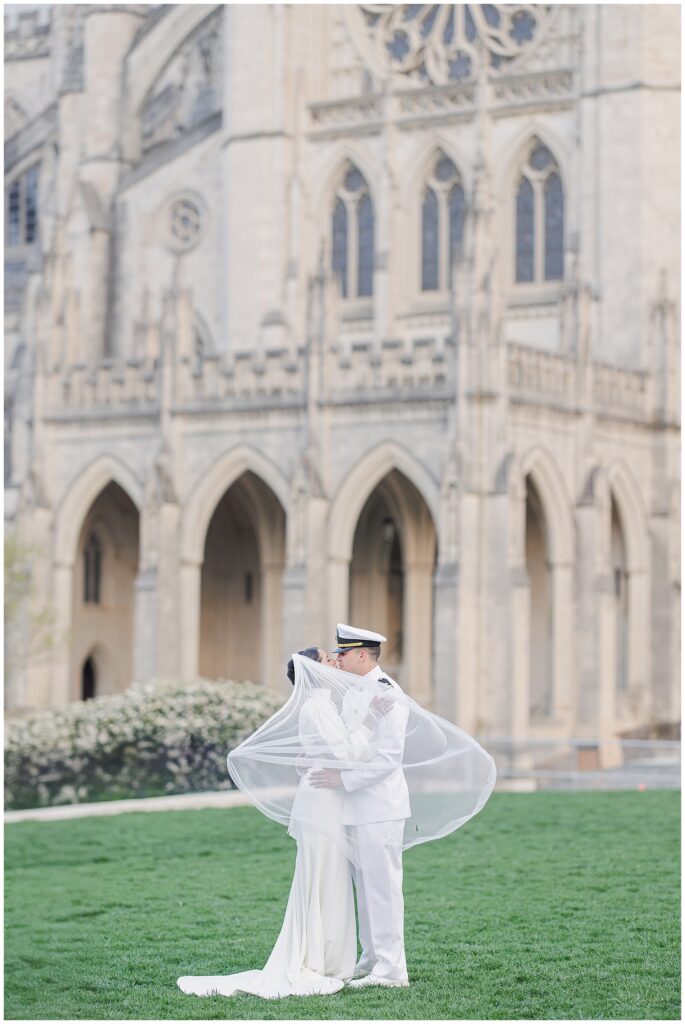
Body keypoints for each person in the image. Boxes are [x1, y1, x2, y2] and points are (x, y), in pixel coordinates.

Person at [177, 646, 377, 999]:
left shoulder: (321, 705)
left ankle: (328, 958)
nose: (334, 660)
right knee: (321, 877)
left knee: (327, 878)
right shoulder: (317, 707)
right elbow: (346, 753)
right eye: (327, 659)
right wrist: (367, 728)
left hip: (326, 799)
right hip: (322, 802)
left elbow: (328, 750)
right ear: (314, 671)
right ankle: (318, 960)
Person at [310, 623, 410, 988]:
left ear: (362, 655)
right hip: (356, 808)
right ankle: (371, 957)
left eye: (343, 653)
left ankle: (393, 969)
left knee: (382, 887)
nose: (337, 658)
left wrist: (343, 779)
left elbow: (388, 757)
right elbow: (351, 743)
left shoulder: (388, 694)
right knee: (364, 888)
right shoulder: (356, 692)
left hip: (379, 808)